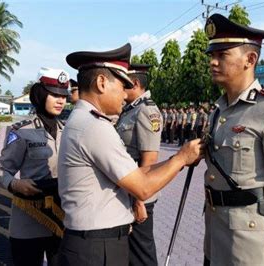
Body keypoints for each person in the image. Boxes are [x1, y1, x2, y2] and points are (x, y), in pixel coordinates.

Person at [54, 43, 203, 266]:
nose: (125, 94)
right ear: (102, 83)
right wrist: (181, 158)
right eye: (122, 85)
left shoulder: (83, 120)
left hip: (92, 242)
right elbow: (142, 186)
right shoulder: (94, 126)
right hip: (97, 248)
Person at [202, 14, 264, 265]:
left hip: (249, 247)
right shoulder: (219, 110)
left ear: (250, 59)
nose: (213, 62)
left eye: (222, 55)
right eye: (211, 55)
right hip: (215, 238)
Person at [0, 67, 69, 266]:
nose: (61, 100)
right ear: (41, 94)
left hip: (61, 220)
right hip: (29, 218)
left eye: (63, 95)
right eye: (54, 95)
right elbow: (1, 171)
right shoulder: (21, 131)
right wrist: (15, 185)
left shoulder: (68, 131)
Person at [115, 63, 161, 266]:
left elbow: (149, 161)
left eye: (123, 84)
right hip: (130, 190)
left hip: (140, 195)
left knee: (142, 254)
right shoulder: (130, 110)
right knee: (130, 253)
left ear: (134, 83)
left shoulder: (146, 111)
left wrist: (139, 201)